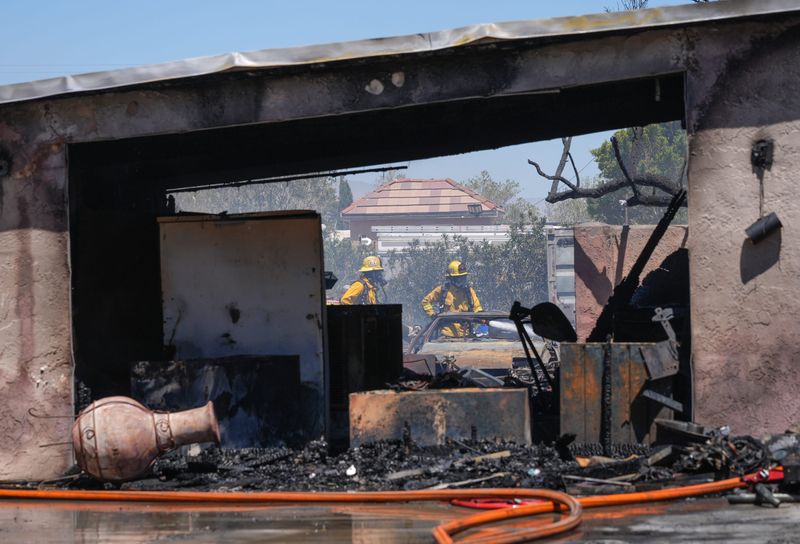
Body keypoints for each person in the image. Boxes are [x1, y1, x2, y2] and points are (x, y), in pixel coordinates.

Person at [421, 260, 483, 336]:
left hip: (466, 334)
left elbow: (478, 308)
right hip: (446, 334)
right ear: (451, 279)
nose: (462, 281)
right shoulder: (443, 290)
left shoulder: (469, 291)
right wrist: (432, 314)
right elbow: (425, 302)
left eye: (463, 278)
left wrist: (481, 317)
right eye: (459, 278)